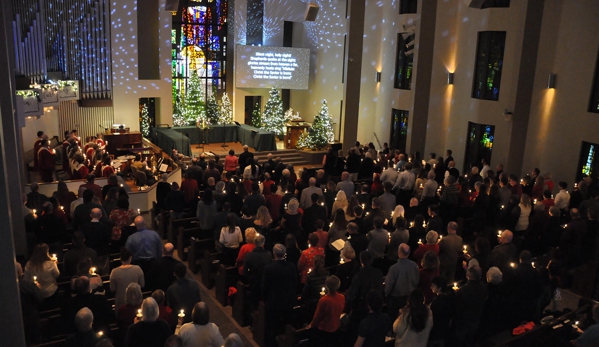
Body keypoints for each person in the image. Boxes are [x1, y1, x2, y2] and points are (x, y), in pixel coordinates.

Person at [262, 244, 298, 347]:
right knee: (286, 322)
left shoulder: (269, 268)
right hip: (288, 300)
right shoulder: (291, 266)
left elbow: (265, 285)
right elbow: (295, 283)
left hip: (273, 302)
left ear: (274, 254)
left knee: (273, 325)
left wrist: (264, 299)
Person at [451, 265, 487, 347]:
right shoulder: (483, 286)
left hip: (464, 321)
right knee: (470, 340)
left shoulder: (464, 290)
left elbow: (458, 307)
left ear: (468, 275)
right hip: (476, 318)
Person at [307, 276, 345, 346]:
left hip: (325, 330)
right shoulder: (342, 297)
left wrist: (311, 325)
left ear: (327, 286)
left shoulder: (324, 300)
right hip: (336, 326)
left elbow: (317, 316)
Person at [385, 244, 419, 320]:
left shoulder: (394, 268)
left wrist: (386, 294)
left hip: (396, 299)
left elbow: (389, 284)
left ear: (399, 252)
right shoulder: (414, 265)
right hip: (410, 297)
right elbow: (416, 280)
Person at [428, 276, 456, 346]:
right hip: (445, 331)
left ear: (439, 288)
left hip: (436, 332)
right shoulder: (450, 297)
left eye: (433, 285)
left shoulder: (438, 302)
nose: (431, 287)